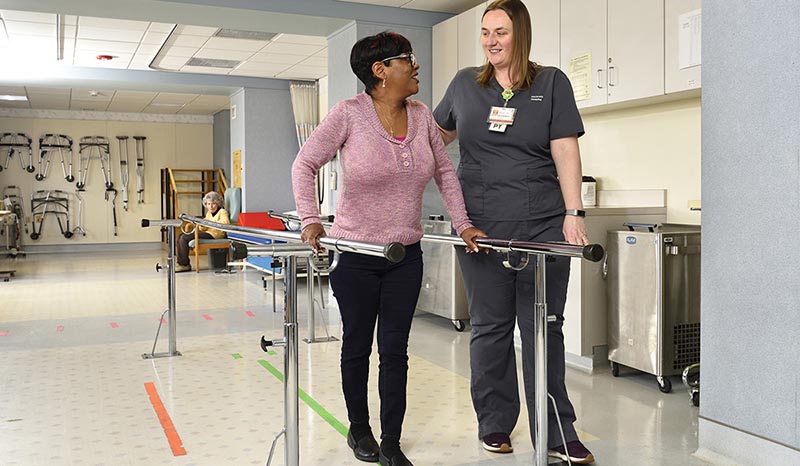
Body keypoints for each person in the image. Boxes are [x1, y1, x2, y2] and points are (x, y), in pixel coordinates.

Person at [292, 32, 485, 466]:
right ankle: (359, 430)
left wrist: (464, 224)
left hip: (404, 258)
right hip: (356, 257)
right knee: (357, 346)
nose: (416, 66)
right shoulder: (348, 115)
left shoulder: (420, 117)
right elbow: (304, 164)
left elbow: (446, 176)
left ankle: (392, 441)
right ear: (380, 71)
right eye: (407, 60)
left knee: (395, 350)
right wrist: (310, 219)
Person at [432, 0, 595, 464]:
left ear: (520, 34)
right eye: (485, 32)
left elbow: (565, 150)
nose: (490, 41)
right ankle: (495, 424)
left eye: (500, 31)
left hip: (543, 225)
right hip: (481, 228)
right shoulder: (465, 84)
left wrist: (574, 211)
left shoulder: (551, 83)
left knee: (544, 327)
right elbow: (432, 138)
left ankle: (558, 432)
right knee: (490, 328)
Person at [174, 191, 230, 272]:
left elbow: (225, 223)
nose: (211, 206)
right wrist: (202, 225)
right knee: (180, 236)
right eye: (208, 204)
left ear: (218, 203)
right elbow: (203, 228)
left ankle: (184, 265)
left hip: (216, 235)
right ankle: (181, 263)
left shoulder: (222, 212)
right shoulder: (209, 213)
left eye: (213, 203)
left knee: (184, 238)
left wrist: (210, 223)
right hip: (208, 233)